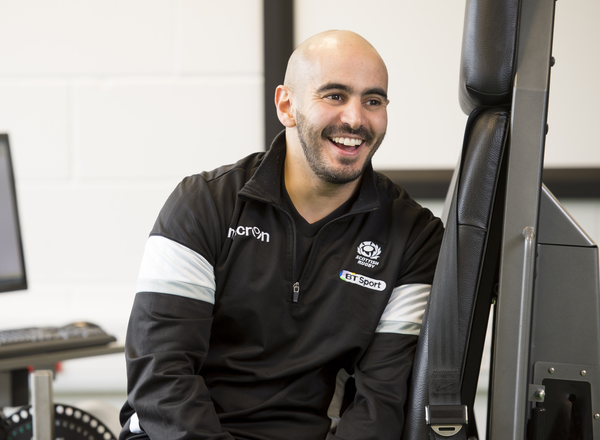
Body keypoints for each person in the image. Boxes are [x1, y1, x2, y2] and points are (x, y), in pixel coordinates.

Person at [119, 30, 444, 440]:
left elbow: (382, 402)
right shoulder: (202, 204)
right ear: (287, 106)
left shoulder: (414, 236)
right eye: (334, 96)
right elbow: (162, 375)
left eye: (373, 101)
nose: (356, 119)